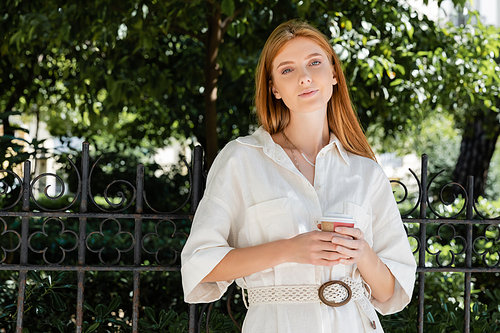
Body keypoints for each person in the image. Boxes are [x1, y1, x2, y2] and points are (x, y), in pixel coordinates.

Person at [181, 19, 416, 332]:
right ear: (274, 88)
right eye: (287, 69)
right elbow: (200, 264)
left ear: (334, 74)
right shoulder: (242, 159)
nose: (305, 77)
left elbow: (389, 293)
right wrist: (289, 250)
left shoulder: (365, 172)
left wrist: (362, 252)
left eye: (314, 63)